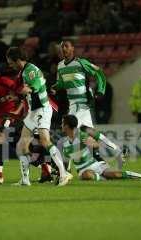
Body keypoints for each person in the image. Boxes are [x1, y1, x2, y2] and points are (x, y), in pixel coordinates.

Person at [0, 61, 51, 184]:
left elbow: (22, 94)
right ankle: (46, 168)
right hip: (3, 118)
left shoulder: (5, 82)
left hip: (14, 116)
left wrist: (16, 111)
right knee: (22, 148)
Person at [52, 39, 125, 169]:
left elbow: (99, 73)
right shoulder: (60, 66)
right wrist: (55, 87)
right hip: (73, 103)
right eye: (62, 47)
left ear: (73, 48)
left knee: (69, 132)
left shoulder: (81, 63)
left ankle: (64, 172)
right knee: (88, 132)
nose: (64, 49)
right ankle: (116, 151)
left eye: (67, 46)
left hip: (81, 103)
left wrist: (101, 91)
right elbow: (62, 83)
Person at [6, 47, 72, 186]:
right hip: (33, 111)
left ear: (17, 60)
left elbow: (36, 84)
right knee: (22, 146)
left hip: (42, 109)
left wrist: (29, 89)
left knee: (45, 141)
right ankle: (25, 180)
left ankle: (63, 173)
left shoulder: (30, 70)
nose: (9, 65)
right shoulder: (24, 71)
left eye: (10, 62)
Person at [61, 114, 141, 181]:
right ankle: (105, 177)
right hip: (83, 171)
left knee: (116, 174)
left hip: (96, 165)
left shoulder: (81, 135)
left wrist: (93, 144)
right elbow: (67, 161)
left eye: (63, 123)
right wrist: (66, 174)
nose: (61, 125)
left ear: (67, 126)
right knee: (87, 175)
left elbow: (97, 144)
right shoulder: (64, 143)